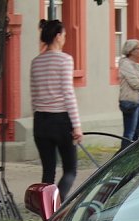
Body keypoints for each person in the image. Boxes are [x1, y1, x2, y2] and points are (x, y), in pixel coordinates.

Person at [31, 19, 82, 201]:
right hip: (60, 120)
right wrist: (76, 125)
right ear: (58, 36)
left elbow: (34, 95)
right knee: (70, 169)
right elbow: (68, 93)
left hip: (40, 121)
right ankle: (57, 206)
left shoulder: (36, 62)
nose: (65, 38)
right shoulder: (65, 60)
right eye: (65, 35)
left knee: (48, 171)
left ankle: (45, 208)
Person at [117, 39, 139, 148]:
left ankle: (133, 154)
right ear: (131, 51)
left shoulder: (138, 66)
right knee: (129, 133)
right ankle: (123, 155)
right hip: (130, 101)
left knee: (136, 131)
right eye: (138, 49)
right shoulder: (125, 64)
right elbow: (135, 84)